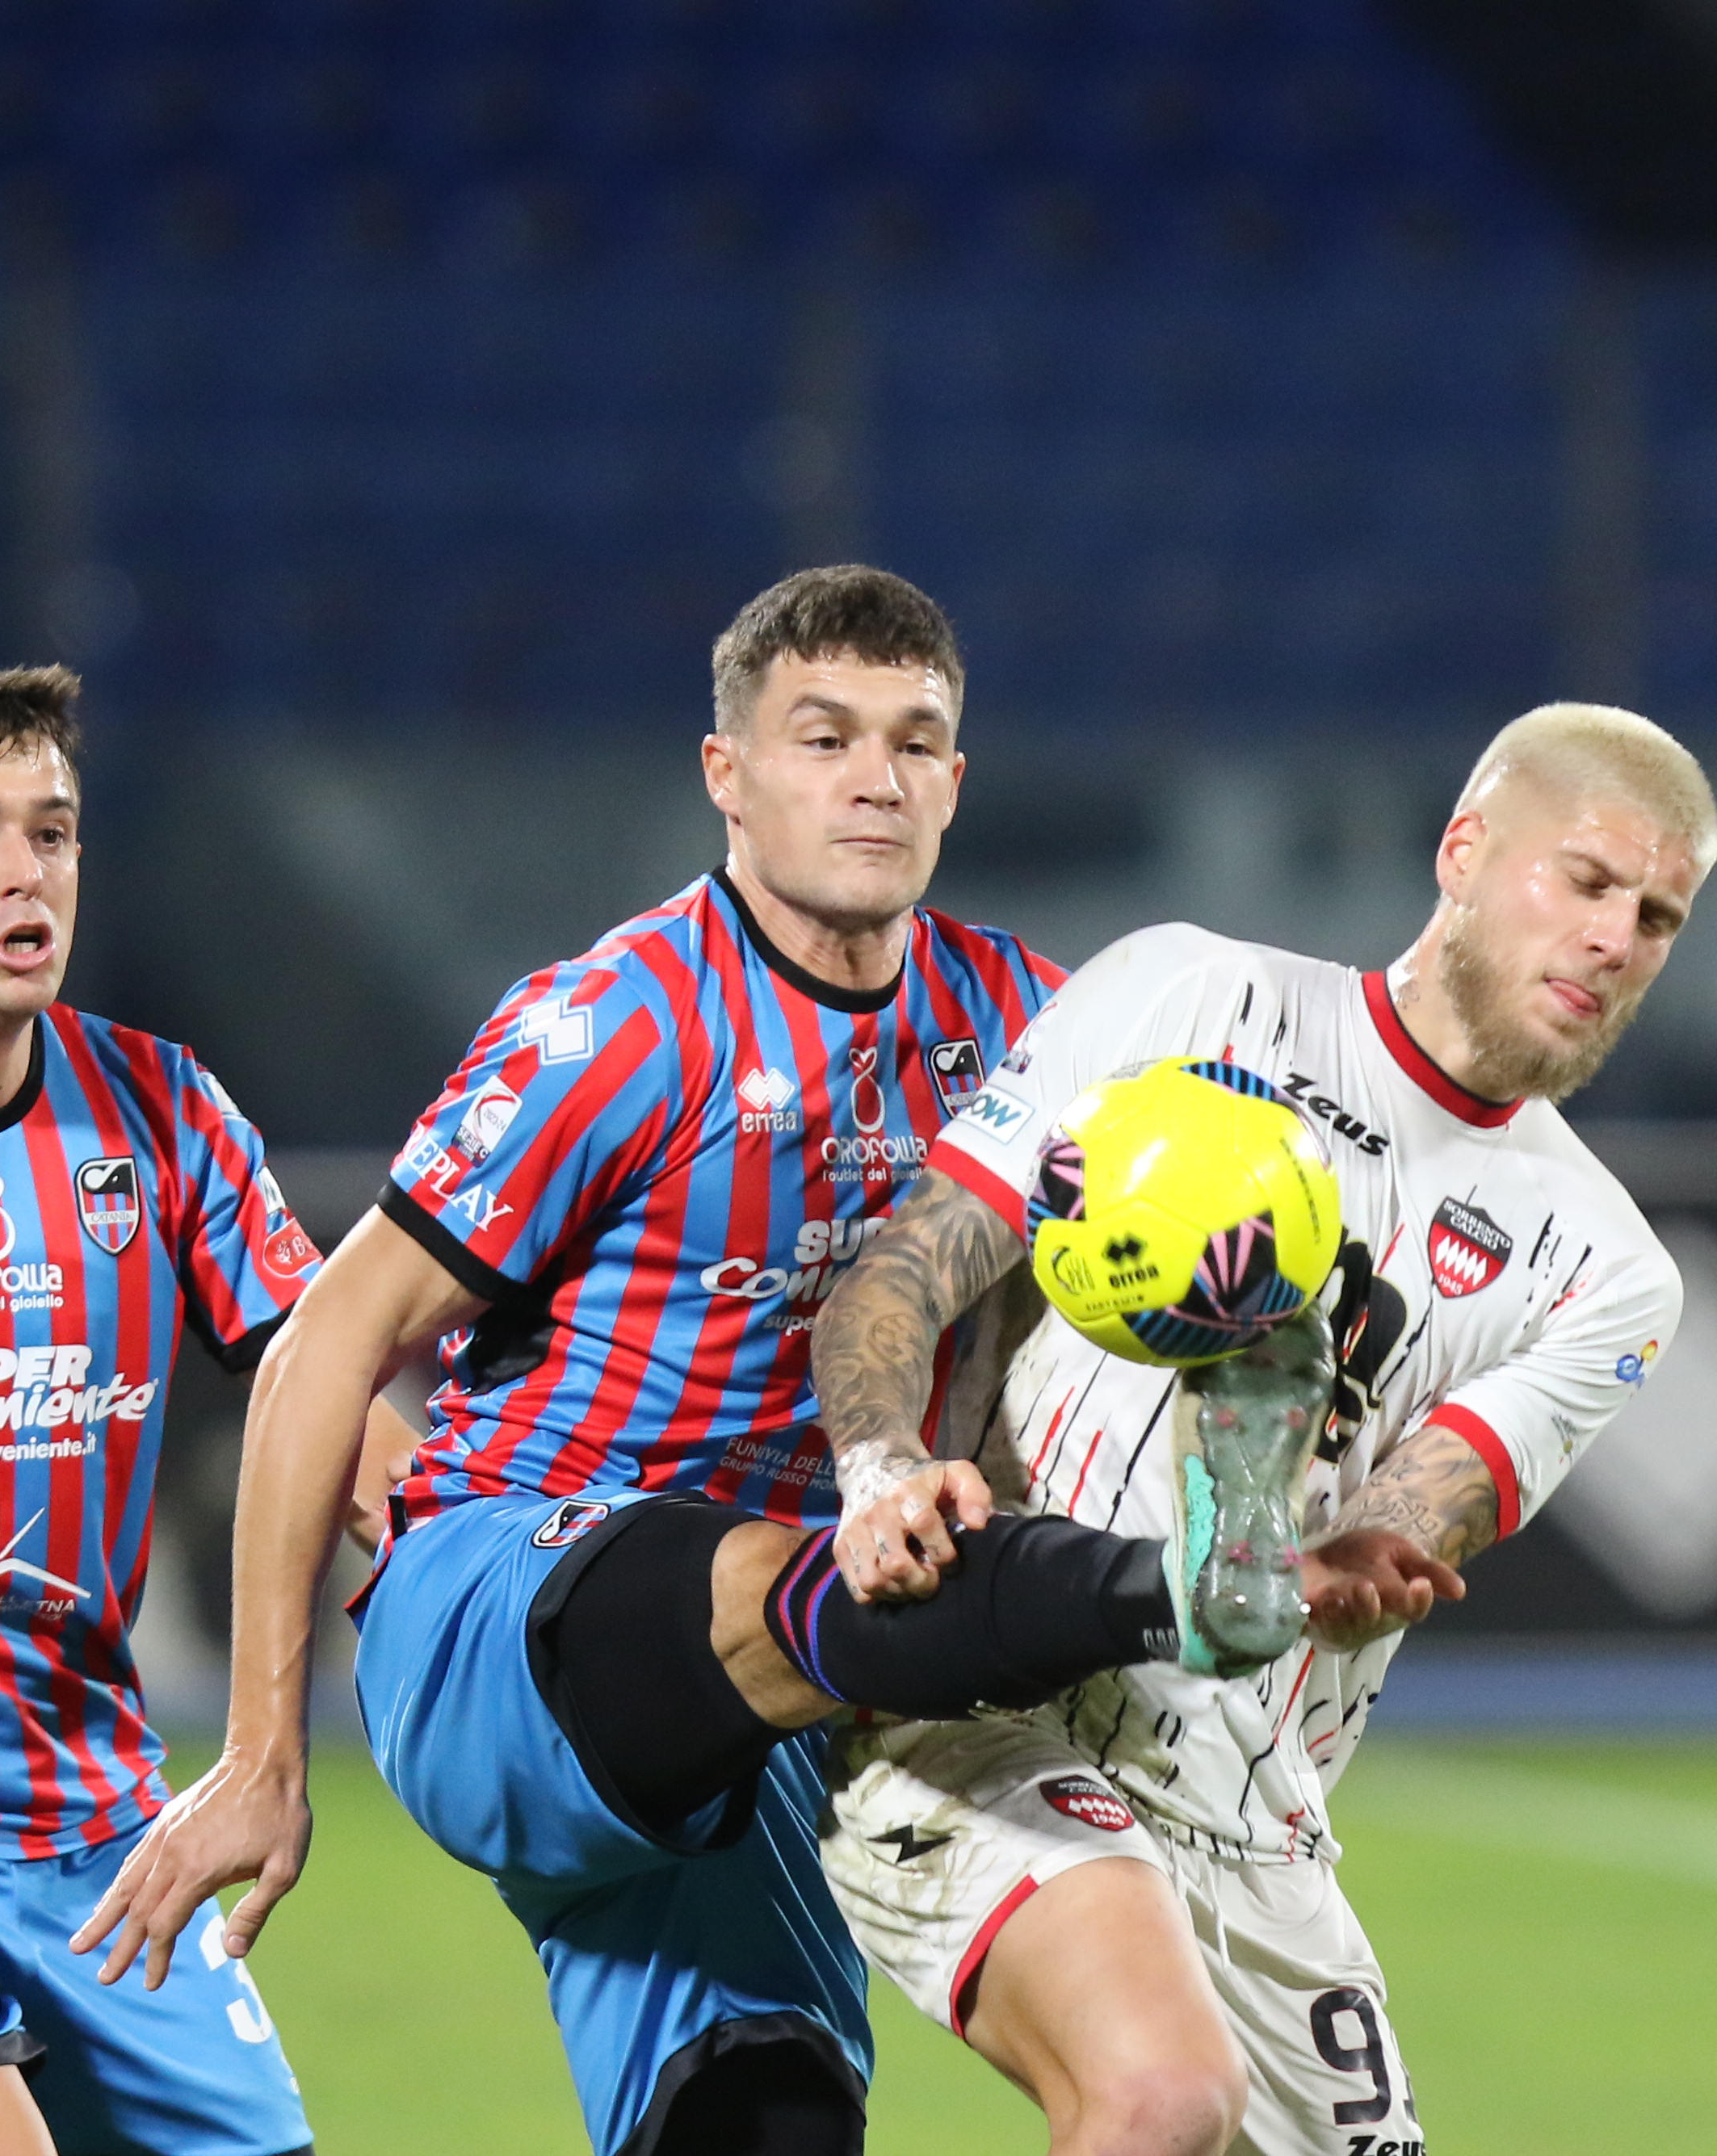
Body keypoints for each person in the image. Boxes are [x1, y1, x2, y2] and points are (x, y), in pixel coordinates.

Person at [69, 568, 1351, 2156]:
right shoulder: (618, 1023)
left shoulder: (1031, 1033)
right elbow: (322, 1345)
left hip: (777, 1708)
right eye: (823, 737)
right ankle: (1181, 1594)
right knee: (781, 1568)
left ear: (957, 781)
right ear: (726, 775)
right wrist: (263, 1752)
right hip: (510, 1631)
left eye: (914, 740)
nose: (873, 776)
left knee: (877, 2118)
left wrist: (1247, 1394)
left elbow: (1255, 1268)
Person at [808, 702, 1713, 2156]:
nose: (1619, 939)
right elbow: (905, 1275)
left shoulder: (1609, 1270)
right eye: (1589, 882)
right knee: (1159, 2100)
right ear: (1466, 850)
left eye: (1660, 915)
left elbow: (1411, 1525)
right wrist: (882, 1470)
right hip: (986, 1705)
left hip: (1246, 1809)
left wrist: (1349, 1566)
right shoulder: (1185, 997)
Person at [0, 655, 405, 2156]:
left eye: (50, 831)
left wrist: (506, 1569)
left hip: (106, 1828)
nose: (22, 871)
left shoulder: (160, 1111)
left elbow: (332, 1393)